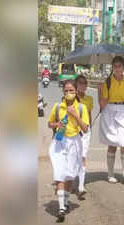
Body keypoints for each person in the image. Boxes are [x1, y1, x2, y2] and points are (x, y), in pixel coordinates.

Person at [48, 80, 89, 221]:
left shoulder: (82, 108)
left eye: (71, 90)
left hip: (75, 142)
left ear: (76, 92)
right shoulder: (58, 107)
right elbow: (49, 123)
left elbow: (85, 128)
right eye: (66, 91)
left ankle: (65, 202)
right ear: (63, 93)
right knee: (60, 173)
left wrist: (76, 116)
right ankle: (60, 208)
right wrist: (56, 124)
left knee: (70, 174)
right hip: (59, 141)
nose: (69, 93)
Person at [99, 56, 124, 185]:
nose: (117, 69)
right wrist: (100, 92)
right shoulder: (107, 82)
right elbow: (102, 104)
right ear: (112, 67)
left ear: (123, 67)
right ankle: (110, 174)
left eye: (119, 66)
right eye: (115, 66)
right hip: (110, 111)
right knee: (112, 143)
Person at [75, 75, 93, 200]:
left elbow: (89, 114)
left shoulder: (89, 99)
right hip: (73, 132)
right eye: (80, 83)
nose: (83, 85)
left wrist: (89, 127)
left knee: (83, 157)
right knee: (72, 156)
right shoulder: (71, 99)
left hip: (85, 131)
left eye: (85, 83)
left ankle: (81, 185)